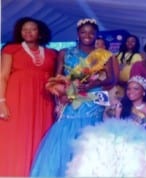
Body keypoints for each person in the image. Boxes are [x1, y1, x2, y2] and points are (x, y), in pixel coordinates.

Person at [30, 18, 115, 177]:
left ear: (96, 34)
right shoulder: (65, 52)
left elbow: (112, 79)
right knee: (66, 132)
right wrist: (63, 93)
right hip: (71, 98)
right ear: (78, 34)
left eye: (91, 32)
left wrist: (91, 84)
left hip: (92, 99)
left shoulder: (104, 55)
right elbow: (58, 77)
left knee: (90, 133)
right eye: (83, 32)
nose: (87, 35)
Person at [65, 75, 146, 178]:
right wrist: (71, 95)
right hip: (120, 140)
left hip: (139, 143)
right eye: (129, 89)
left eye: (136, 89)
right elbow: (90, 98)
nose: (131, 92)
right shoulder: (119, 102)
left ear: (143, 92)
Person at [0, 17, 57, 176]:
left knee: (41, 135)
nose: (28, 32)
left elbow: (56, 79)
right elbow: (2, 76)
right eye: (24, 29)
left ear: (40, 33)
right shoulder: (11, 49)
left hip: (43, 100)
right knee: (16, 136)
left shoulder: (52, 54)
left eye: (32, 29)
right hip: (17, 98)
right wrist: (1, 101)